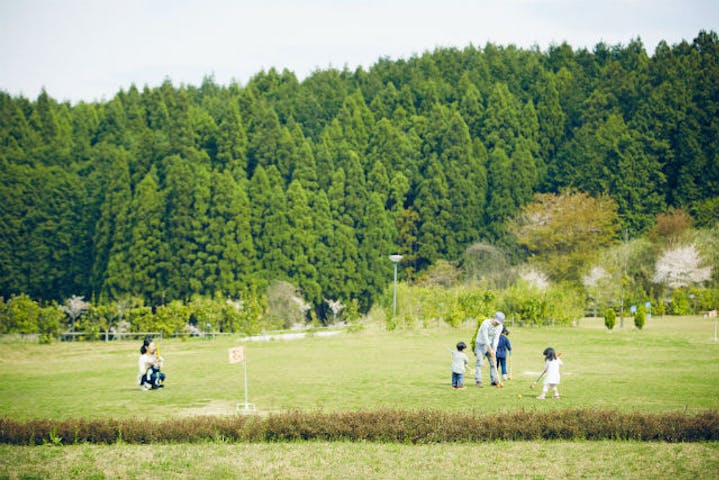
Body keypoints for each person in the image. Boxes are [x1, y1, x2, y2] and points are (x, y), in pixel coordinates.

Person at [471, 311, 505, 388]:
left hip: (491, 344)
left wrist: (494, 351)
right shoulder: (485, 324)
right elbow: (485, 338)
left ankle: (494, 380)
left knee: (493, 362)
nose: (497, 324)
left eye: (499, 323)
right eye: (497, 322)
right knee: (479, 363)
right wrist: (491, 350)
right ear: (493, 318)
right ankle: (478, 381)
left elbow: (496, 339)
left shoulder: (500, 326)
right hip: (480, 343)